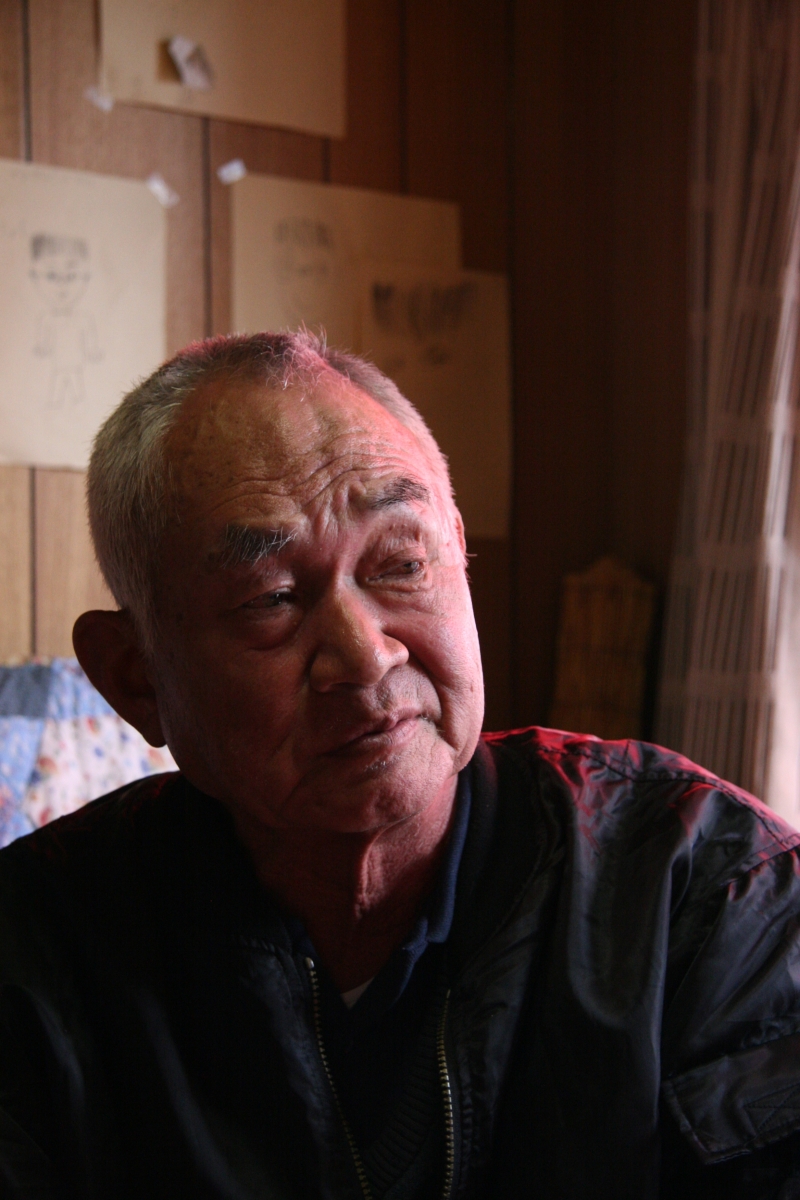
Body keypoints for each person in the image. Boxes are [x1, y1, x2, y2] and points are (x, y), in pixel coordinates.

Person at [1, 331, 800, 1200]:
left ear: (459, 557)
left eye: (402, 564)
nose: (365, 654)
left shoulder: (705, 889)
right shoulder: (40, 952)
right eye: (272, 598)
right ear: (135, 677)